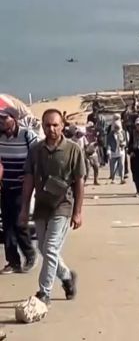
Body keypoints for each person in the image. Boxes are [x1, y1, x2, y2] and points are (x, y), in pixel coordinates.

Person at [19, 109, 84, 306]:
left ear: (62, 126)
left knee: (50, 248)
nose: (51, 129)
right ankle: (66, 277)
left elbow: (79, 181)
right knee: (43, 248)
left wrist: (78, 212)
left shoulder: (73, 149)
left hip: (62, 206)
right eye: (47, 125)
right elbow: (29, 180)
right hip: (42, 206)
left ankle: (44, 292)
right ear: (42, 126)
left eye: (55, 125)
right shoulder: (36, 150)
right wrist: (24, 209)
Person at [0, 107, 38, 274]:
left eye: (4, 118)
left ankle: (30, 255)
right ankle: (13, 261)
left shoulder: (26, 135)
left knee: (18, 222)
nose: (1, 122)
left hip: (22, 187)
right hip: (4, 186)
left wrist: (31, 174)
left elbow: (38, 155)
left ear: (14, 119)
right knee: (7, 225)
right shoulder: (0, 136)